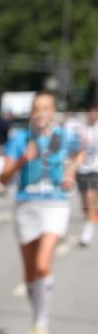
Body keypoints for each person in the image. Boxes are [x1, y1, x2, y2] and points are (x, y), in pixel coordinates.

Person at [0, 90, 82, 334]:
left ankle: (41, 325)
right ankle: (37, 319)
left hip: (55, 204)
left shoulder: (64, 136)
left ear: (53, 111)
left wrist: (70, 173)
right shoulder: (20, 138)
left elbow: (80, 152)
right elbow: (3, 177)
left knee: (43, 264)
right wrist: (24, 158)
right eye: (37, 108)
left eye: (46, 108)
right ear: (32, 113)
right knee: (30, 274)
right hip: (26, 206)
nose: (41, 113)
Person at [76, 102, 98, 246]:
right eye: (91, 111)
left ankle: (89, 228)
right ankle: (89, 220)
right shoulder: (81, 129)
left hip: (96, 168)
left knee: (90, 196)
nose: (93, 114)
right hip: (82, 169)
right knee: (84, 202)